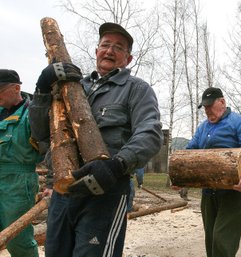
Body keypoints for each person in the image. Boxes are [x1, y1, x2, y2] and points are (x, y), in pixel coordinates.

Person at [29, 22, 163, 257]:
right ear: (96, 50)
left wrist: (117, 164)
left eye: (118, 47)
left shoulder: (136, 89)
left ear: (128, 58)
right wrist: (41, 90)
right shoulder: (72, 86)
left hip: (105, 192)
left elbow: (150, 133)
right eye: (105, 45)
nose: (110, 51)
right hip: (63, 191)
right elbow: (39, 133)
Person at [186, 87, 241, 257]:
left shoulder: (239, 122)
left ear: (222, 102)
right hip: (208, 193)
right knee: (211, 241)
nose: (207, 111)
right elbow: (190, 151)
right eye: (204, 107)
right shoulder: (203, 128)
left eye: (210, 106)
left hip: (233, 192)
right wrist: (180, 175)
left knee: (222, 241)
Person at [0, 69, 43, 257]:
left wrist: (51, 181)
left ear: (16, 88)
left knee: (17, 239)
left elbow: (48, 148)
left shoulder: (32, 113)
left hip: (19, 183)